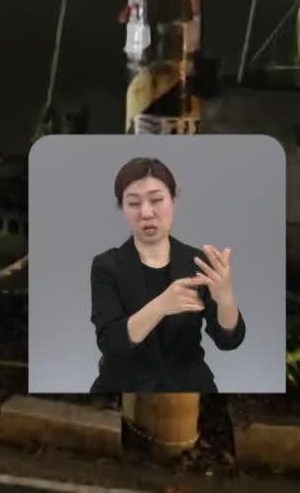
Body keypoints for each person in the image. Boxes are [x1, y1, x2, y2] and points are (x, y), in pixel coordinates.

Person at [88, 157, 245, 392]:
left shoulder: (198, 263)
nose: (146, 213)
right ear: (122, 207)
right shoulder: (106, 265)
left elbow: (228, 341)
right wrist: (162, 305)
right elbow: (111, 343)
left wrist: (226, 299)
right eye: (133, 203)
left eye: (157, 200)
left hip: (190, 387)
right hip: (123, 388)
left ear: (173, 200)